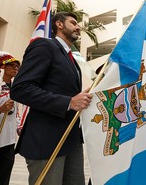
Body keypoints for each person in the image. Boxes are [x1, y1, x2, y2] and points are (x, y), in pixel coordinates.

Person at [10, 12, 93, 185]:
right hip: (46, 141)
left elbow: (64, 92)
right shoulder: (44, 46)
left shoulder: (72, 60)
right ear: (59, 24)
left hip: (71, 140)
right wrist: (68, 102)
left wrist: (80, 98)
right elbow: (20, 89)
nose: (78, 27)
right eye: (73, 22)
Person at [0, 49, 21, 185]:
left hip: (8, 141)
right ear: (3, 66)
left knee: (3, 180)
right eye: (12, 65)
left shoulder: (16, 87)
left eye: (17, 66)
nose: (16, 68)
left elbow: (15, 112)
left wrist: (19, 127)